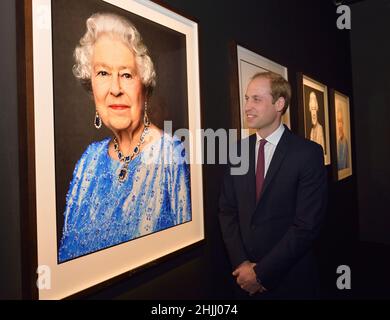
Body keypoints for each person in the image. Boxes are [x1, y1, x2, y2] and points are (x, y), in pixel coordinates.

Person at [58, 13, 191, 263]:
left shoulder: (170, 155)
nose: (115, 88)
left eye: (126, 74)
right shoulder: (87, 161)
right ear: (91, 85)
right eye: (103, 73)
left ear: (144, 85)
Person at [219, 72, 327, 299]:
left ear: (279, 103)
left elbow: (306, 226)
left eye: (256, 99)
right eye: (247, 98)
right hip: (242, 280)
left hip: (290, 281)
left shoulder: (307, 154)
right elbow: (227, 212)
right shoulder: (236, 151)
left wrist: (261, 274)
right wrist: (242, 264)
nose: (247, 106)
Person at [336, 106, 349, 170]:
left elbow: (342, 165)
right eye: (338, 121)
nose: (339, 125)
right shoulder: (338, 141)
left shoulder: (344, 141)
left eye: (341, 121)